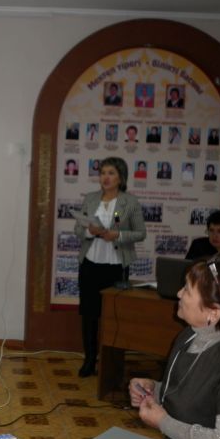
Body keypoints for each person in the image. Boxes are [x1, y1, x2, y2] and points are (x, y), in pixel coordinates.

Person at [129, 255, 220, 439]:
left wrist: (164, 423)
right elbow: (193, 397)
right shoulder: (191, 335)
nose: (179, 294)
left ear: (213, 312)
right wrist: (154, 389)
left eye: (186, 289)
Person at [74, 157, 146, 377]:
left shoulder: (130, 202)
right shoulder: (90, 198)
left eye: (111, 173)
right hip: (90, 264)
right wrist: (89, 231)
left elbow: (140, 233)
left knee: (113, 316)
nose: (105, 177)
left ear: (121, 178)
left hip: (116, 267)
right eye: (103, 173)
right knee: (89, 314)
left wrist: (118, 235)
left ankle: (111, 365)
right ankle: (89, 360)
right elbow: (78, 229)